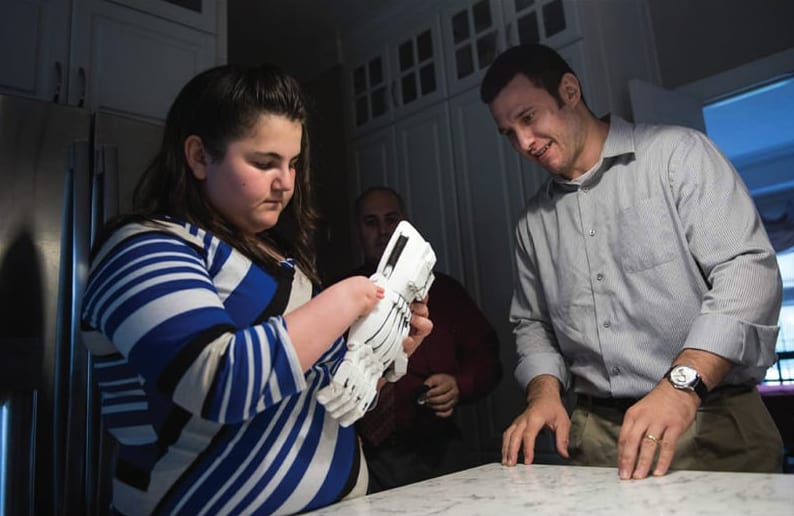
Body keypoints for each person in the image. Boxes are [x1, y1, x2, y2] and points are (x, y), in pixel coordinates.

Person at [79, 64, 431, 515]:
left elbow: (309, 391)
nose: (286, 183)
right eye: (264, 163)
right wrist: (345, 300)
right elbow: (217, 380)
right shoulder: (142, 247)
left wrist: (383, 351)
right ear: (199, 157)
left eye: (293, 164)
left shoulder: (276, 256)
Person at [479, 44, 784, 480]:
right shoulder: (532, 223)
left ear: (569, 91)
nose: (524, 143)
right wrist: (543, 393)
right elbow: (533, 325)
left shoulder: (679, 155)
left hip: (712, 424)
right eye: (509, 133)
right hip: (598, 439)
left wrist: (681, 385)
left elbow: (747, 272)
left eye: (528, 118)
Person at [348, 186, 502, 492]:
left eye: (391, 220)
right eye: (371, 222)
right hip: (363, 455)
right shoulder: (341, 295)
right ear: (358, 231)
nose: (383, 231)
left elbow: (488, 359)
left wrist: (459, 384)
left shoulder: (444, 293)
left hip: (436, 451)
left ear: (405, 224)